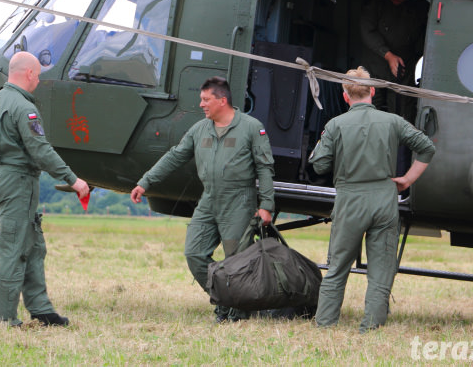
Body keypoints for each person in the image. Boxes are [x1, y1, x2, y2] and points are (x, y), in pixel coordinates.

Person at [131, 76, 274, 323]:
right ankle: (224, 300)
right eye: (201, 99)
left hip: (239, 201)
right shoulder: (199, 129)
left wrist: (266, 205)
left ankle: (237, 313)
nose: (201, 104)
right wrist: (146, 182)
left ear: (222, 100)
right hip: (208, 200)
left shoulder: (251, 127)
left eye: (206, 99)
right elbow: (174, 157)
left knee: (237, 261)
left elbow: (265, 168)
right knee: (194, 253)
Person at [308, 66, 435, 333]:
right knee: (381, 270)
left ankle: (325, 325)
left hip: (350, 199)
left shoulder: (336, 125)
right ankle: (371, 327)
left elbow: (319, 166)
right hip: (384, 198)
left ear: (345, 96)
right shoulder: (393, 121)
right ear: (373, 92)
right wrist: (407, 179)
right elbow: (427, 147)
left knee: (338, 266)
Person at [0, 51, 89, 327]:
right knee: (14, 248)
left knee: (34, 245)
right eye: (38, 75)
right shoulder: (23, 107)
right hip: (17, 182)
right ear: (28, 73)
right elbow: (41, 150)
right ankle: (2, 318)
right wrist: (73, 180)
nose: (38, 81)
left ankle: (40, 308)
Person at [359, 0, 428, 122]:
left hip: (403, 67)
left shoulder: (417, 7)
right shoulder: (375, 4)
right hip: (374, 65)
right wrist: (388, 55)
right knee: (369, 108)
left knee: (401, 111)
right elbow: (367, 31)